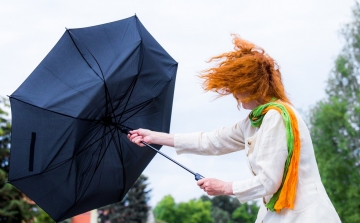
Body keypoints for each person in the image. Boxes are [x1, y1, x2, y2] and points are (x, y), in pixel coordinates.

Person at [127, 35, 341, 223]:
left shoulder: (276, 117)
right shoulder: (256, 120)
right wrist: (155, 137)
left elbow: (269, 182)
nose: (233, 94)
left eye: (236, 87)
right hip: (281, 214)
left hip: (303, 216)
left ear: (251, 85)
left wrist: (225, 187)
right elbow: (211, 141)